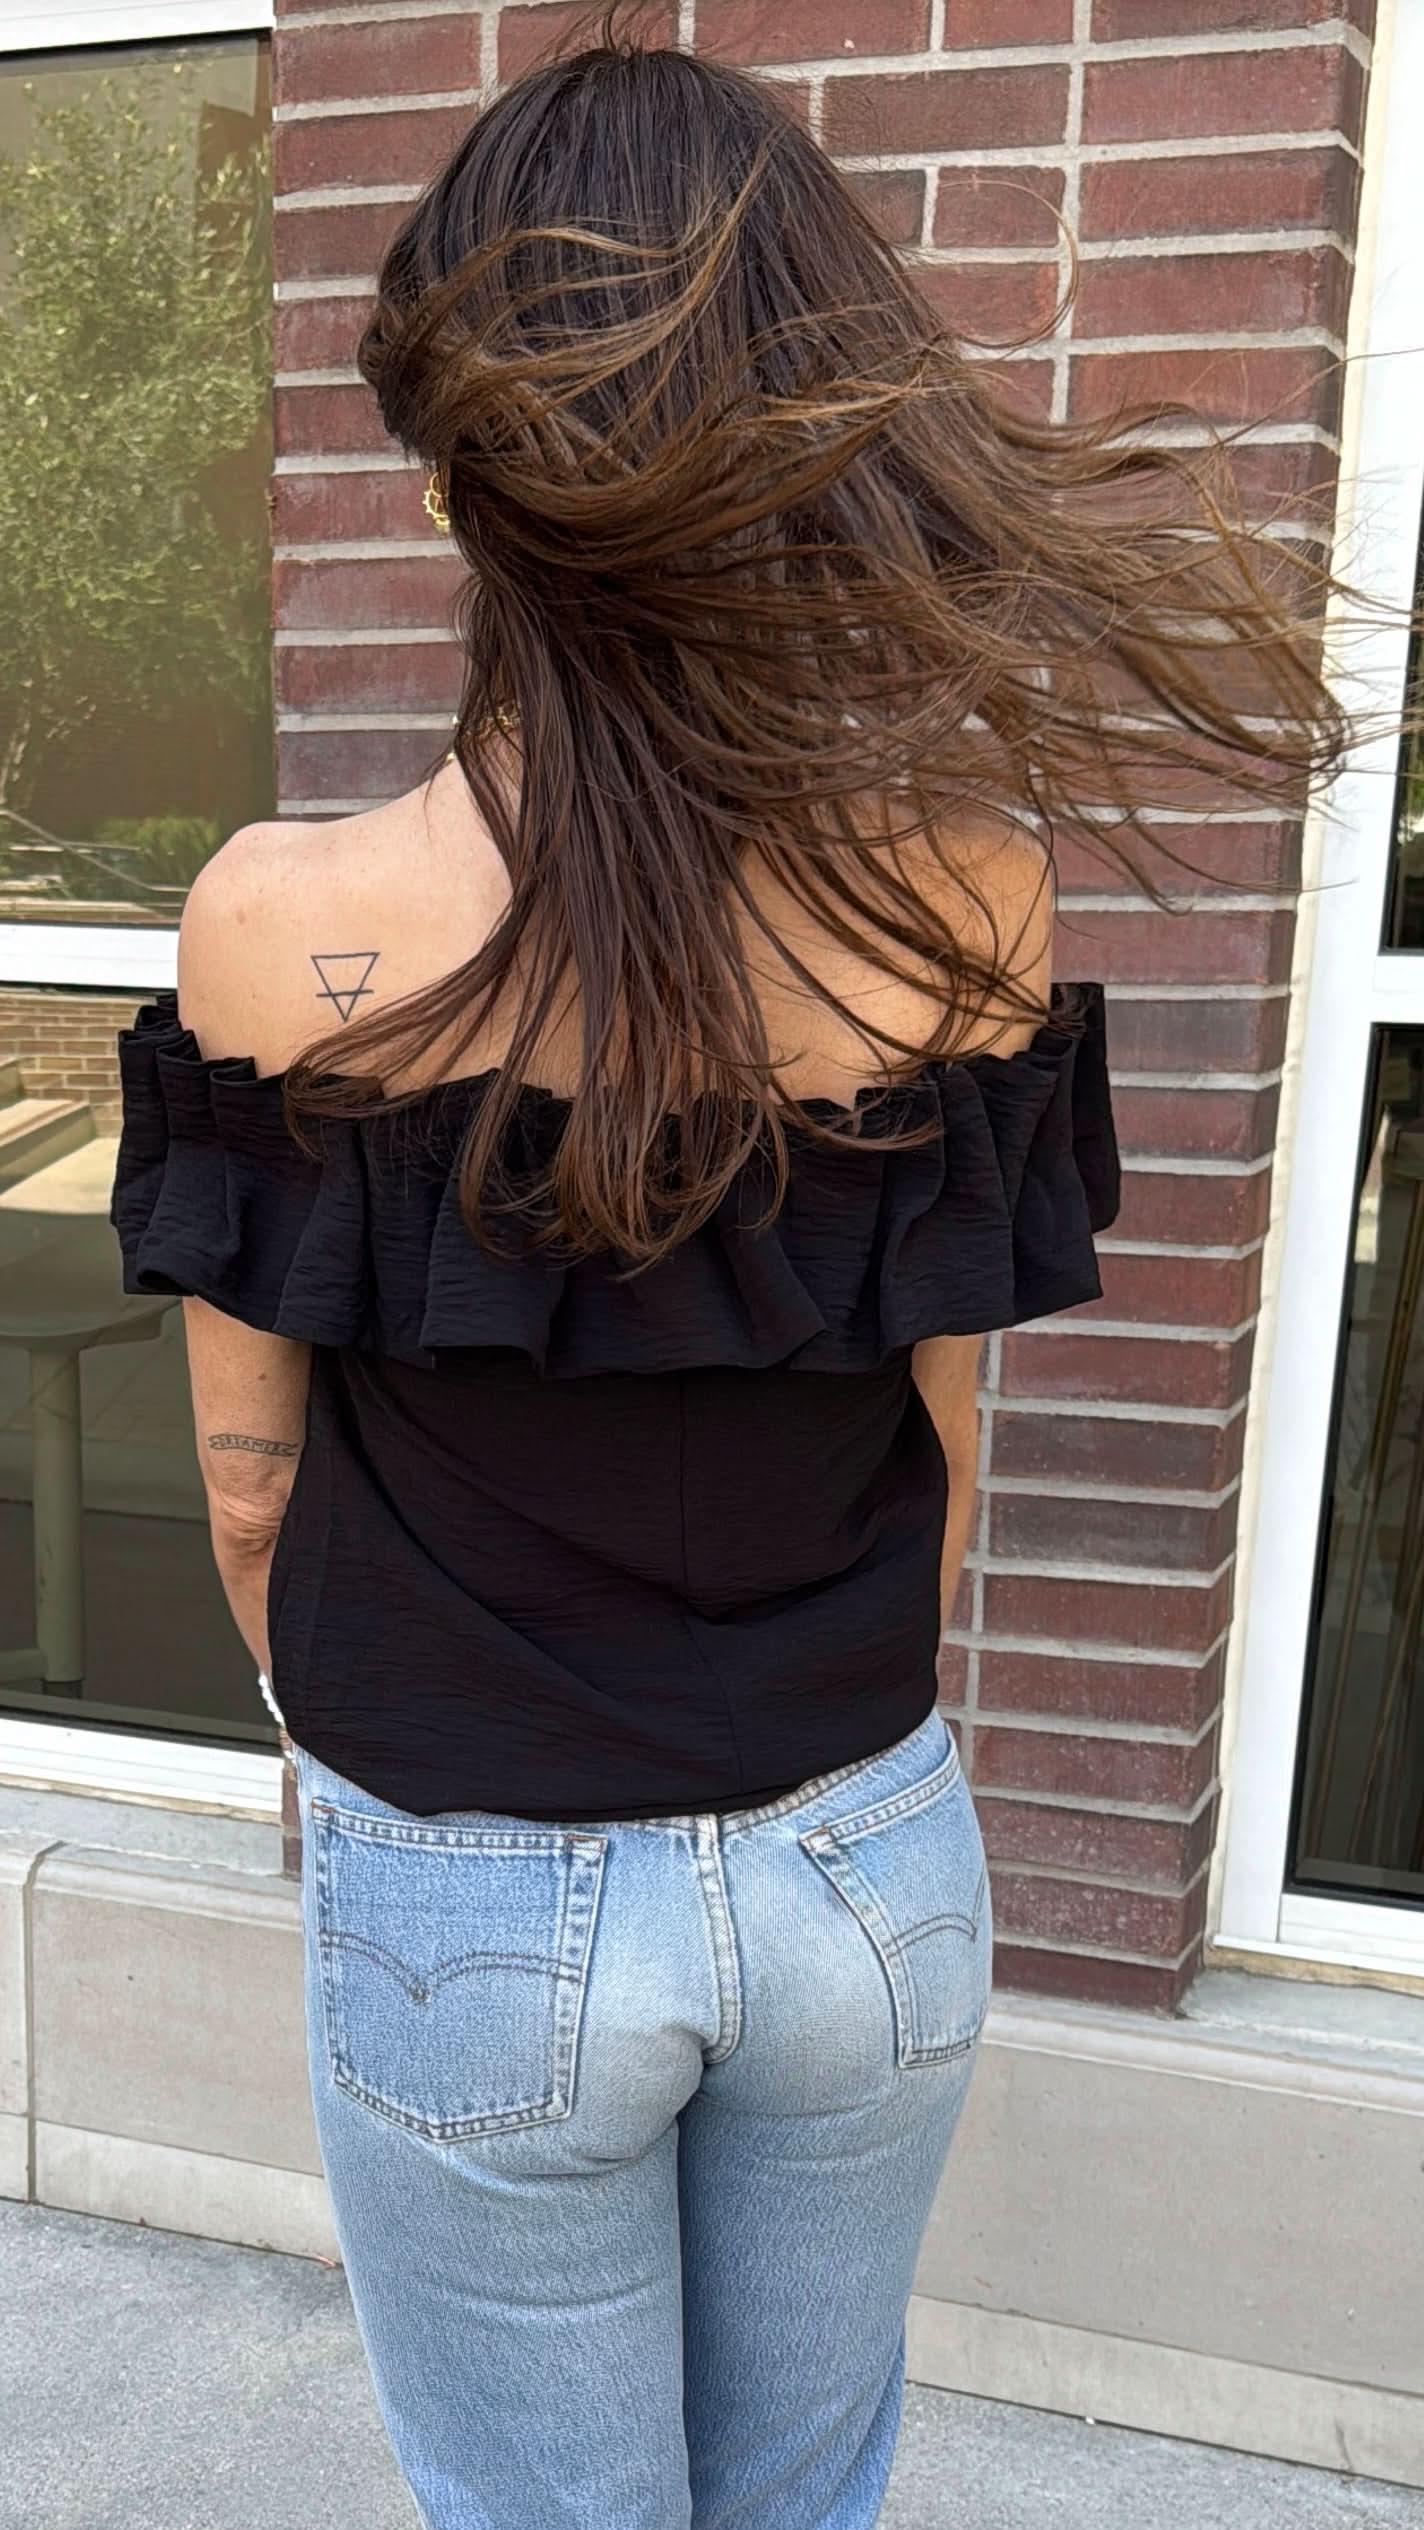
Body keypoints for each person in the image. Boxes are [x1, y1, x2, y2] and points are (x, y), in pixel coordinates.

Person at [109, 25, 1349, 2530]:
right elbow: (949, 1439)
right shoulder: (960, 901)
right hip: (863, 1860)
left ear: (461, 462)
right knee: (802, 2497)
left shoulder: (276, 928)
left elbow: (253, 1497)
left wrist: (388, 1758)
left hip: (463, 1864)